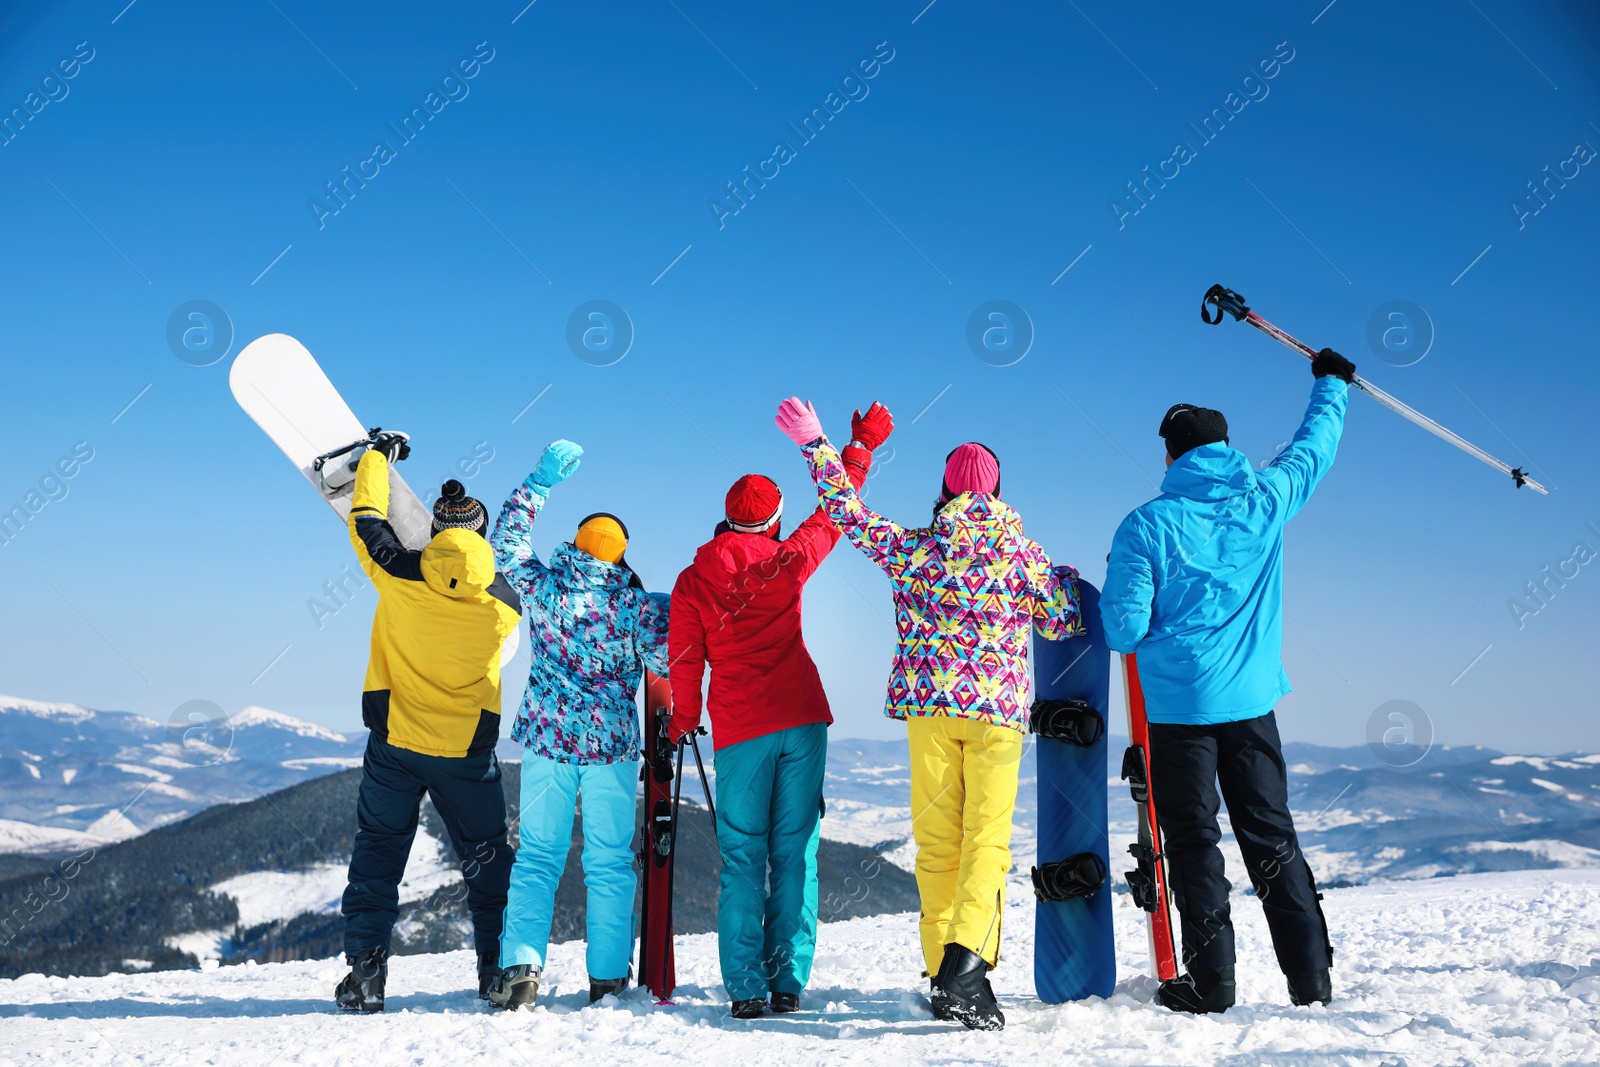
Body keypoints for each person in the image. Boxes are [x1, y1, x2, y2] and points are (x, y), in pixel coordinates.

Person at [773, 397, 1084, 1032]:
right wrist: (1062, 580)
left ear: (944, 489)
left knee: (938, 843)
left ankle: (943, 970)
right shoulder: (1023, 555)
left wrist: (816, 442)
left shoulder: (916, 549)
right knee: (986, 842)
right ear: (999, 489)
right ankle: (966, 967)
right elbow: (1065, 619)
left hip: (930, 709)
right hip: (997, 715)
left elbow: (847, 513)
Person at [1100, 349, 1355, 1015]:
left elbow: (1123, 631)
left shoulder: (1145, 526)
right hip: (1251, 705)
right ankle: (1312, 980)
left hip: (1179, 713)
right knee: (1272, 838)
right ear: (1226, 446)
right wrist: (1331, 382)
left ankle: (1211, 983)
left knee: (1194, 842)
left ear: (1169, 456)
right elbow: (1314, 448)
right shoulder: (1265, 499)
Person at [666, 404, 888, 1020]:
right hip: (802, 718)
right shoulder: (788, 558)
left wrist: (684, 722)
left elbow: (685, 661)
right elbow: (837, 511)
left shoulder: (691, 582)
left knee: (743, 857)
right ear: (772, 519)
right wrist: (862, 443)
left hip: (741, 729)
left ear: (727, 519)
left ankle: (745, 988)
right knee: (795, 852)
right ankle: (789, 980)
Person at [335, 435, 523, 1013]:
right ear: (483, 535)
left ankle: (367, 977)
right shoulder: (504, 604)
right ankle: (498, 975)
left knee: (379, 854)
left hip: (395, 742)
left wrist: (376, 459)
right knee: (488, 859)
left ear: (435, 531)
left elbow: (366, 519)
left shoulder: (397, 574)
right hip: (465, 751)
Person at [484, 441, 672, 1010]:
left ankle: (520, 970)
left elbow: (506, 546)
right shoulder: (639, 608)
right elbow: (666, 665)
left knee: (538, 858)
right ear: (620, 557)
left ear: (576, 544)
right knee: (610, 862)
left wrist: (539, 482)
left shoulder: (544, 587)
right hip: (611, 750)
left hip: (547, 743)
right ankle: (609, 977)